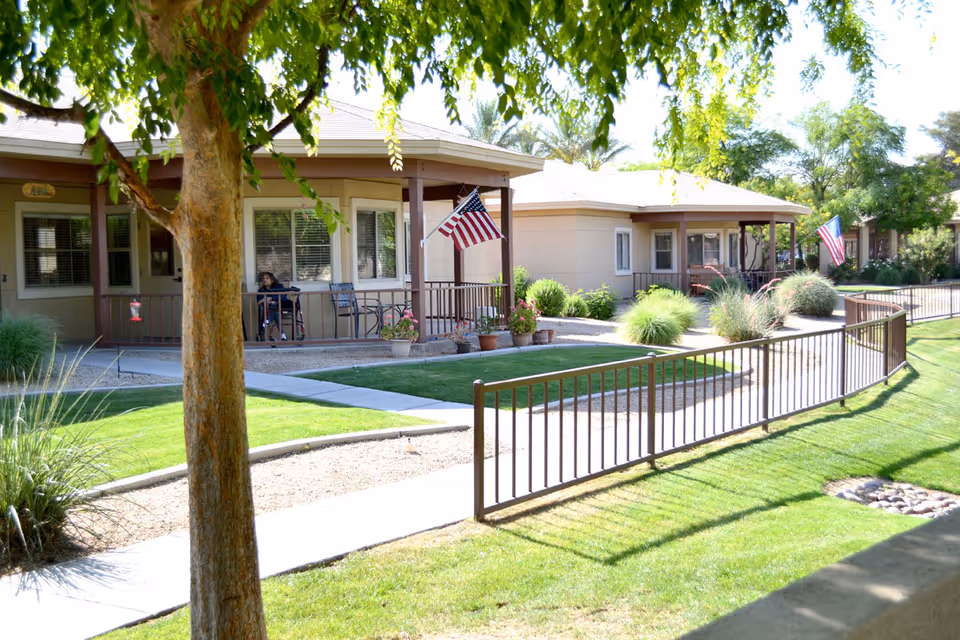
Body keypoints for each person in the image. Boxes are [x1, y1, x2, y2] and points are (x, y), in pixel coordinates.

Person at [257, 271, 288, 341]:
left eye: (267, 278)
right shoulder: (261, 290)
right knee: (276, 314)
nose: (264, 280)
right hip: (266, 308)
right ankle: (283, 335)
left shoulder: (279, 286)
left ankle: (267, 320)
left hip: (279, 307)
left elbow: (283, 297)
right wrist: (265, 300)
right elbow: (258, 302)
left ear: (272, 279)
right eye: (263, 278)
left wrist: (272, 299)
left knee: (275, 305)